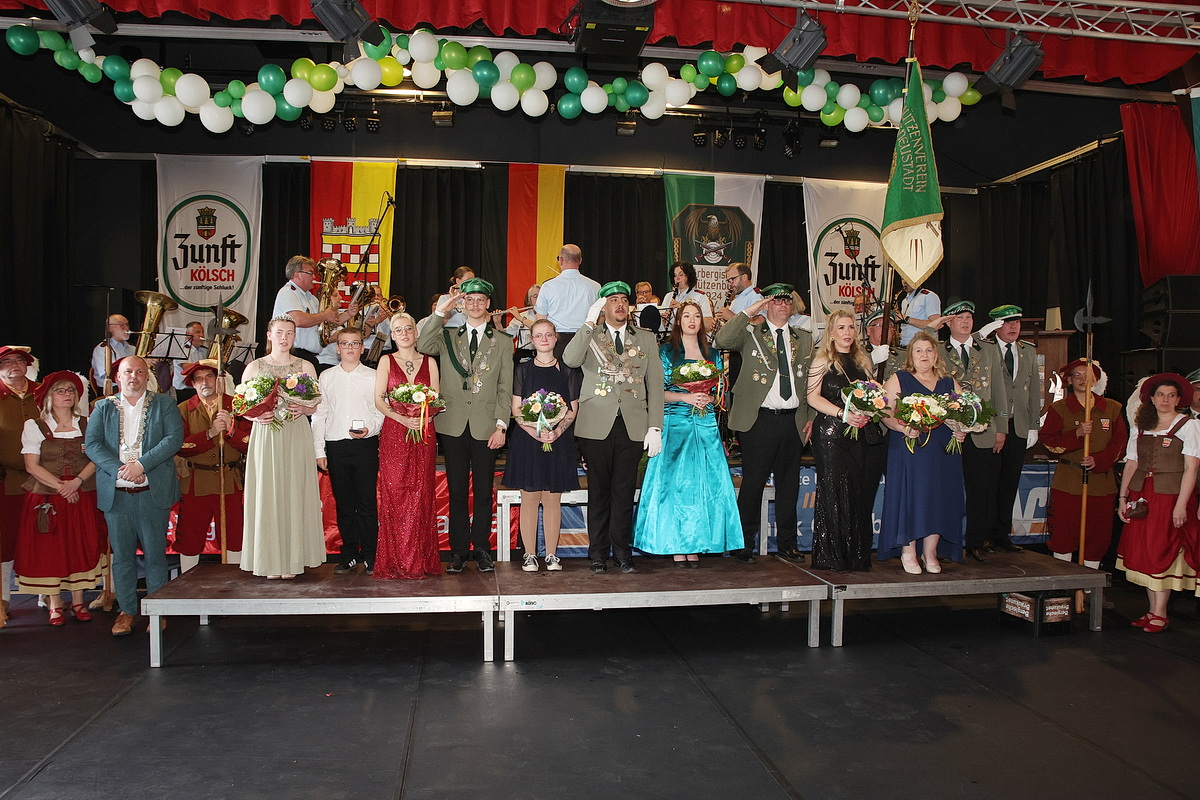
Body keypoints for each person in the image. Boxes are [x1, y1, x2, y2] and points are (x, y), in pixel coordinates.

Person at [564, 281, 665, 574]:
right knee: (598, 492)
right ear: (603, 306)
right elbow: (570, 359)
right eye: (613, 300)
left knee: (623, 492)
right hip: (596, 424)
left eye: (624, 299)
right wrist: (588, 322)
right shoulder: (591, 335)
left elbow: (655, 384)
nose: (620, 304)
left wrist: (655, 426)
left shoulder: (645, 338)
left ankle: (622, 552)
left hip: (632, 424)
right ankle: (597, 553)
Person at [417, 278, 514, 574]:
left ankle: (482, 548)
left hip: (486, 425)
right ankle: (459, 551)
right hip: (453, 423)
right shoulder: (447, 336)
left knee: (483, 491)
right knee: (457, 491)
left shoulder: (503, 341)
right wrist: (441, 311)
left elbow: (504, 387)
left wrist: (501, 426)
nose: (475, 304)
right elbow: (422, 343)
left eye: (480, 300)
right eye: (469, 300)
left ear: (488, 304)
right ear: (462, 304)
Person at [634, 301, 741, 565]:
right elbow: (656, 392)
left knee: (705, 485)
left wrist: (709, 398)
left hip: (705, 424)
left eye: (696, 316)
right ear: (678, 321)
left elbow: (720, 393)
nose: (692, 320)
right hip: (675, 423)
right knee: (674, 487)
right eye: (686, 316)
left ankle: (698, 542)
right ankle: (674, 543)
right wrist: (686, 397)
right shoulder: (666, 352)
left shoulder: (713, 353)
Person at [713, 283, 813, 563]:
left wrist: (811, 418)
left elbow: (811, 381)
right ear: (767, 305)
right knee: (753, 483)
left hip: (793, 419)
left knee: (789, 486)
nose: (783, 305)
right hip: (759, 419)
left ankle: (788, 544)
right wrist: (751, 309)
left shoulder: (804, 338)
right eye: (776, 301)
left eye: (787, 301)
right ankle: (743, 543)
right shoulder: (751, 333)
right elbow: (722, 340)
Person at [85, 356, 184, 636]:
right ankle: (127, 610)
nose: (134, 377)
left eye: (140, 372)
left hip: (151, 492)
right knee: (122, 557)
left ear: (146, 377)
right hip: (117, 495)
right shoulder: (102, 407)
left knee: (155, 555)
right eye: (128, 372)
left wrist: (141, 466)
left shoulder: (164, 404)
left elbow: (173, 439)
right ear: (118, 376)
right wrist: (123, 470)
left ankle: (157, 610)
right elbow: (92, 445)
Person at [14, 372, 106, 625]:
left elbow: (97, 457)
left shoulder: (88, 423)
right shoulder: (35, 426)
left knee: (79, 544)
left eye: (71, 390)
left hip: (81, 492)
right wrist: (61, 487)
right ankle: (54, 603)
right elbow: (32, 465)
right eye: (61, 390)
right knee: (51, 549)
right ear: (48, 396)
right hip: (47, 496)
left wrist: (76, 482)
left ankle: (78, 600)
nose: (67, 395)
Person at [239, 316, 325, 579]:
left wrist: (304, 408)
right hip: (266, 435)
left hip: (296, 433)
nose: (284, 337)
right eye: (279, 332)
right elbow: (240, 406)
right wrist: (255, 417)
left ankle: (293, 560)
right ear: (269, 335)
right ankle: (269, 561)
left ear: (294, 336)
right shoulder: (255, 367)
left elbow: (315, 405)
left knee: (295, 491)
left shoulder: (306, 366)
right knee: (268, 493)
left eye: (289, 333)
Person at [1116, 373, 1200, 634]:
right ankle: (1153, 610)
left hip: (1170, 496)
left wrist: (1181, 505)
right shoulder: (1140, 426)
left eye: (1171, 395)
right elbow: (1132, 462)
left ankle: (1161, 613)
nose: (1165, 400)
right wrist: (1123, 497)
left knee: (1160, 549)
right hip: (1143, 494)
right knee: (1145, 550)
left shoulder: (1188, 426)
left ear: (1179, 399)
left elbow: (1191, 469)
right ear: (1151, 398)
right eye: (1161, 395)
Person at [877, 332, 967, 573]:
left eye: (929, 350)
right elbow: (884, 411)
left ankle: (930, 552)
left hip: (943, 450)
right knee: (911, 498)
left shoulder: (949, 382)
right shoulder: (900, 379)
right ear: (911, 355)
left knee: (939, 498)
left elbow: (965, 412)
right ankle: (908, 552)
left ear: (936, 355)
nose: (924, 355)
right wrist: (901, 427)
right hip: (910, 449)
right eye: (918, 350)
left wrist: (962, 431)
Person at [927, 299, 1007, 563]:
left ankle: (976, 542)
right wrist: (931, 328)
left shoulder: (989, 350)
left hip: (982, 429)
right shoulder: (938, 349)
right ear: (948, 322)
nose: (965, 322)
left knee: (980, 490)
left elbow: (998, 390)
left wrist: (1001, 427)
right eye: (959, 318)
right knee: (945, 490)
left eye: (969, 318)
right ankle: (943, 545)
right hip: (947, 430)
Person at [502, 319, 580, 572]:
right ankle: (529, 555)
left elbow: (572, 408)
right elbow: (516, 408)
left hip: (558, 441)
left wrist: (557, 431)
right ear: (532, 339)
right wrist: (536, 432)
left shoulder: (568, 370)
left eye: (548, 335)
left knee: (552, 498)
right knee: (530, 497)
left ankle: (552, 555)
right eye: (538, 335)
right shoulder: (522, 370)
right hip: (528, 441)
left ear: (556, 338)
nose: (544, 339)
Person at [374, 312, 442, 579]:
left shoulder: (430, 362)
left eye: (408, 328)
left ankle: (421, 560)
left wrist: (424, 416)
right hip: (394, 432)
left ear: (416, 332)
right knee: (396, 493)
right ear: (392, 335)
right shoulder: (385, 361)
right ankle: (396, 561)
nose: (404, 333)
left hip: (423, 433)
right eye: (398, 330)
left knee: (421, 492)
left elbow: (436, 399)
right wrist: (402, 418)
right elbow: (379, 400)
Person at [1041, 358, 1127, 569]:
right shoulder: (1060, 408)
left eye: (1088, 375)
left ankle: (1090, 582)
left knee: (1098, 533)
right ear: (1069, 380)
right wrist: (1076, 435)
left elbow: (1120, 444)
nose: (1083, 379)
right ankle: (1063, 578)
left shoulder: (1111, 408)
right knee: (1064, 530)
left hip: (1101, 482)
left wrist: (1099, 460)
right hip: (1068, 481)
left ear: (1095, 379)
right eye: (1077, 375)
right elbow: (1049, 442)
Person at [806, 309, 874, 571]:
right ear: (832, 333)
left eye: (851, 327)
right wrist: (842, 414)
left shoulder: (862, 362)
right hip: (831, 435)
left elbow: (873, 397)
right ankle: (831, 556)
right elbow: (812, 397)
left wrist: (867, 412)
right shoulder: (821, 361)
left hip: (858, 434)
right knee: (833, 491)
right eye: (842, 328)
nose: (847, 333)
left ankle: (854, 556)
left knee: (856, 491)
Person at [313, 328, 383, 575]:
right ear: (337, 348)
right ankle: (350, 554)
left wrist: (369, 428)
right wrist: (319, 450)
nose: (350, 348)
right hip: (336, 446)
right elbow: (319, 415)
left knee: (366, 503)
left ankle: (371, 555)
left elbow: (380, 411)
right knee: (344, 504)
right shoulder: (326, 377)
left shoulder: (374, 376)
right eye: (345, 343)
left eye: (355, 343)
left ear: (362, 348)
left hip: (365, 445)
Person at [174, 359, 251, 569]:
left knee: (235, 536)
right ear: (192, 384)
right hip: (195, 481)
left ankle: (235, 581)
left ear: (218, 380)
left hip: (230, 479)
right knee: (190, 537)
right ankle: (187, 583)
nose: (204, 382)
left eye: (209, 376)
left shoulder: (236, 405)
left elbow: (251, 444)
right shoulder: (183, 409)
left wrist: (231, 431)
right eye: (198, 379)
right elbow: (179, 446)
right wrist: (210, 433)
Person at [981, 304, 1041, 554]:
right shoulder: (986, 349)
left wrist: (1034, 425)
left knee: (1009, 481)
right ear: (997, 326)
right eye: (1006, 322)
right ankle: (984, 534)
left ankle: (1002, 534)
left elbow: (1034, 390)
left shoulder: (1027, 351)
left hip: (1019, 425)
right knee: (990, 482)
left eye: (1016, 322)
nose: (1013, 327)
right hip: (994, 425)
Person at [0, 346, 40, 619]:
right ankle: (3, 598)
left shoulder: (43, 392)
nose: (14, 365)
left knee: (44, 536)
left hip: (44, 478)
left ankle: (47, 593)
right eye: (6, 361)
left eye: (19, 360)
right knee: (5, 541)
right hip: (6, 479)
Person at [272, 255, 357, 367]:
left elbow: (328, 323)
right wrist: (325, 315)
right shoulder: (288, 292)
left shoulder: (311, 298)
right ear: (297, 275)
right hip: (294, 353)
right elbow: (298, 320)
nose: (314, 277)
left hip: (310, 356)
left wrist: (348, 314)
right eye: (310, 273)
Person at [536, 244, 601, 359]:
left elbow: (541, 321)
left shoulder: (548, 286)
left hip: (557, 341)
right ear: (580, 261)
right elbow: (600, 319)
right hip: (586, 340)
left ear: (561, 260)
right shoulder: (595, 286)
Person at [662, 261, 714, 333]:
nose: (677, 278)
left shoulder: (700, 296)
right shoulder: (668, 296)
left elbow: (709, 325)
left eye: (681, 275)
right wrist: (664, 320)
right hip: (670, 336)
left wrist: (683, 308)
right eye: (675, 275)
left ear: (689, 276)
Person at [90, 314, 134, 395]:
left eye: (127, 324)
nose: (127, 328)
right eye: (122, 325)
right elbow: (110, 374)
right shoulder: (103, 349)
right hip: (112, 390)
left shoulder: (132, 348)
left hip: (131, 387)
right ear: (110, 328)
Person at [896, 277, 940, 346]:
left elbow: (936, 325)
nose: (904, 282)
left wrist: (906, 319)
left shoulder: (929, 296)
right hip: (904, 345)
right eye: (902, 278)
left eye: (908, 278)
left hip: (922, 346)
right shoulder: (904, 301)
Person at [502, 284, 541, 359]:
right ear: (529, 300)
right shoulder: (522, 315)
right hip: (522, 355)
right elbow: (505, 337)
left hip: (542, 355)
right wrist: (497, 322)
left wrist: (520, 318)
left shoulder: (550, 316)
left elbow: (539, 328)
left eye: (541, 296)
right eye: (535, 297)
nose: (539, 300)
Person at [171, 321, 207, 402]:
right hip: (184, 391)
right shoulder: (181, 349)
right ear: (188, 334)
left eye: (202, 332)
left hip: (199, 388)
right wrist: (210, 361)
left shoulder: (204, 351)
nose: (202, 335)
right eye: (198, 332)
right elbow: (188, 368)